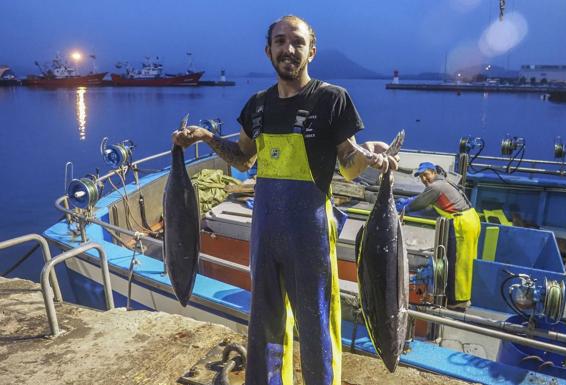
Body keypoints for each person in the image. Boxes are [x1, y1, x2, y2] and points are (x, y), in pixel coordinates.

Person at [172, 15, 398, 385]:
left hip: (310, 234)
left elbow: (348, 164)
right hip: (264, 233)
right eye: (280, 42)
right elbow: (244, 157)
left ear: (312, 50)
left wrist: (374, 157)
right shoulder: (257, 106)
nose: (288, 49)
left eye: (296, 42)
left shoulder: (331, 99)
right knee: (264, 322)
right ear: (268, 51)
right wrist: (205, 137)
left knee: (316, 324)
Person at [396, 162, 481, 311]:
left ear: (433, 173)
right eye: (421, 176)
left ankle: (455, 303)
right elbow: (424, 198)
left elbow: (418, 204)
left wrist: (403, 206)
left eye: (425, 174)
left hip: (461, 223)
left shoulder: (435, 187)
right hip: (471, 220)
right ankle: (463, 298)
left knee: (456, 263)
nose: (424, 178)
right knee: (466, 263)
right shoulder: (443, 183)